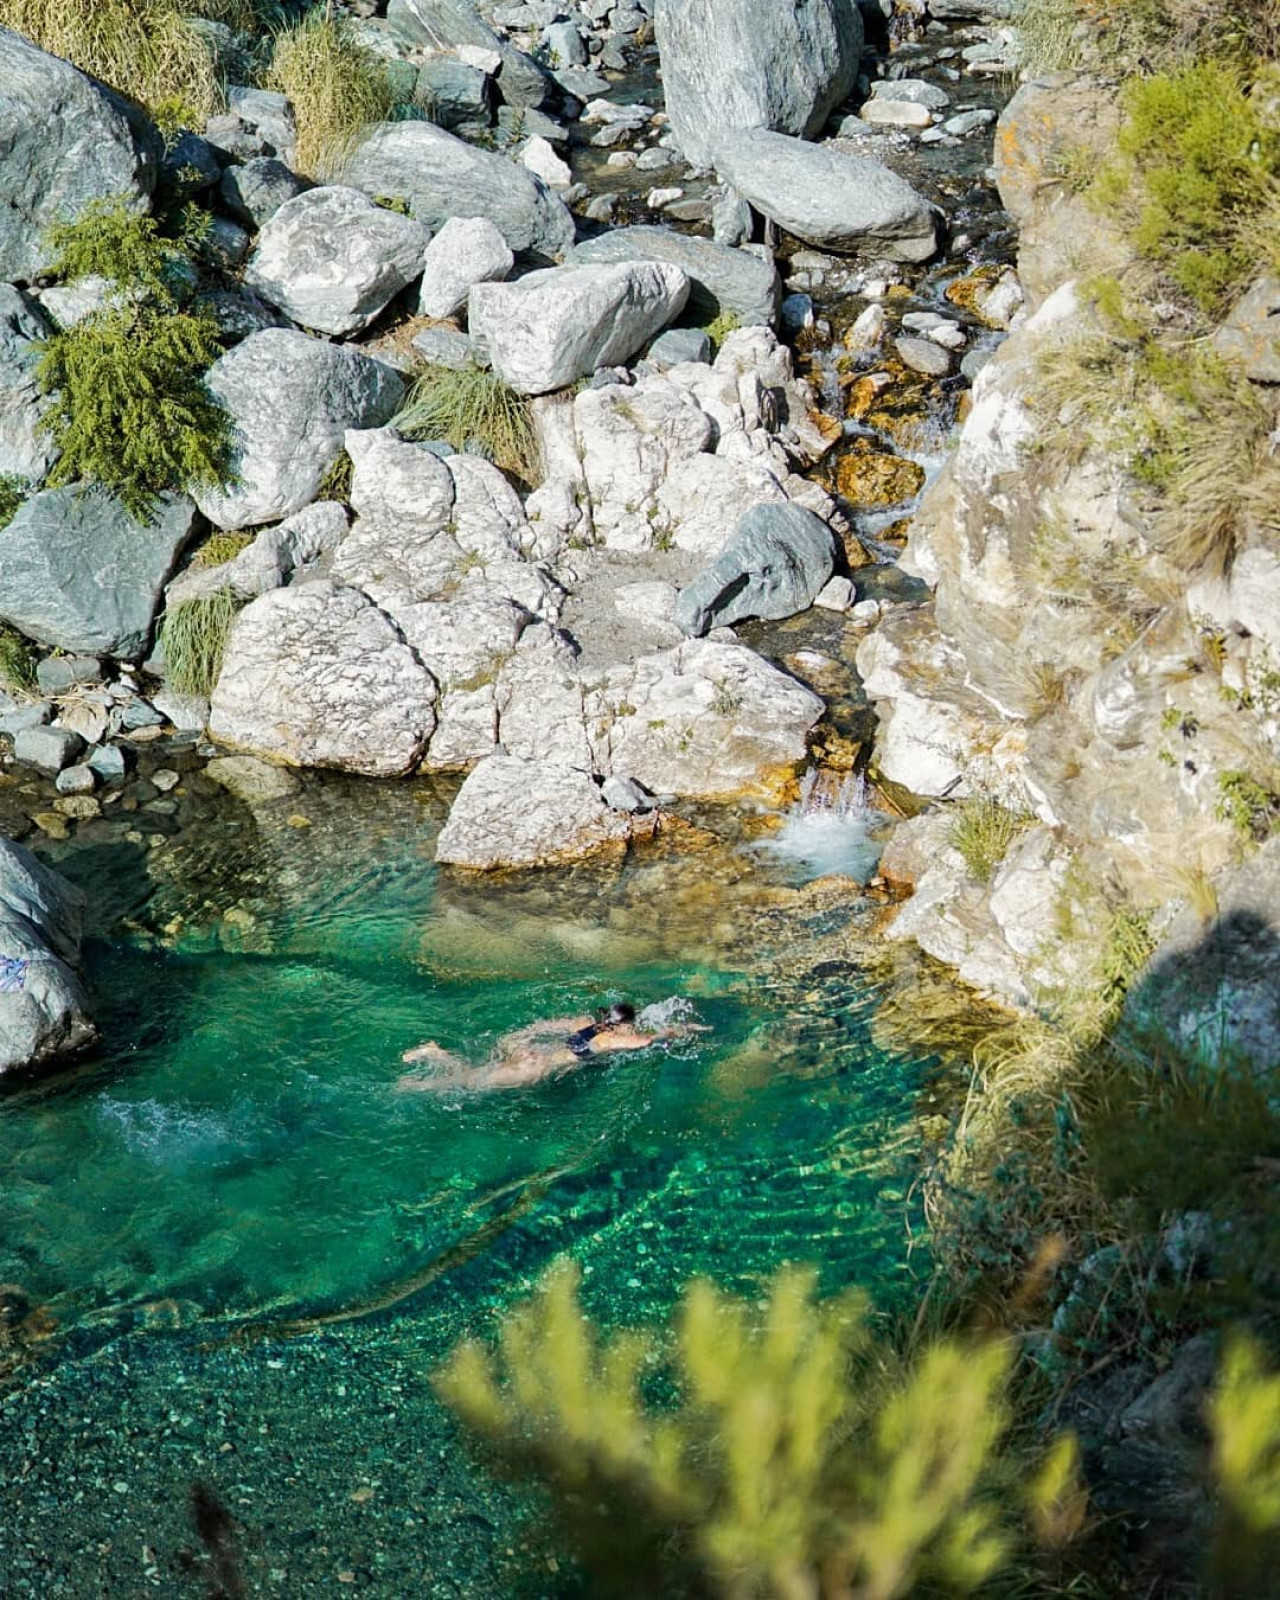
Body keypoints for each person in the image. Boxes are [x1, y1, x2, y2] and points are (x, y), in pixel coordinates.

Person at [396, 1002, 706, 1093]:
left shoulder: (583, 1021)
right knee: (469, 1085)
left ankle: (436, 1054)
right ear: (624, 1024)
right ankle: (423, 1070)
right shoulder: (613, 1039)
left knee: (474, 1077)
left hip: (529, 1052)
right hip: (536, 1067)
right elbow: (649, 1040)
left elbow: (541, 1026)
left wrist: (517, 1041)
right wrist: (685, 1028)